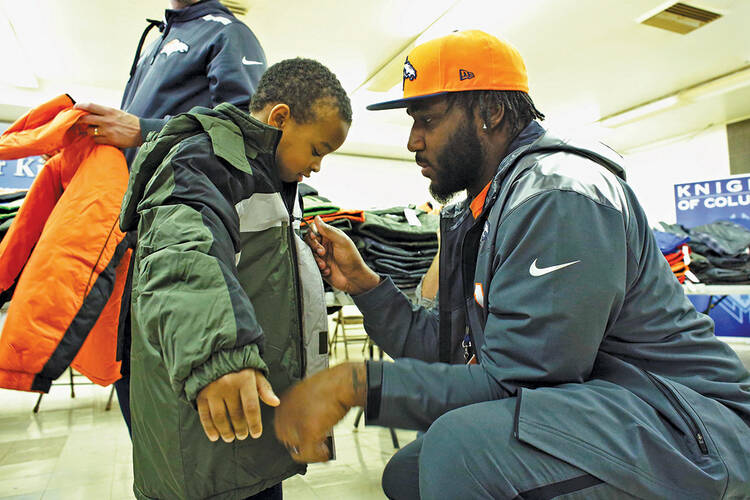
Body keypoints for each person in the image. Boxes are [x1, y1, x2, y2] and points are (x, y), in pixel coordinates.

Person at [273, 30, 750, 499]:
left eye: (428, 120)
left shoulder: (559, 193)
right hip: (610, 409)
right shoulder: (482, 212)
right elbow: (447, 350)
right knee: (408, 472)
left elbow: (517, 382)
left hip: (687, 424)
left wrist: (357, 385)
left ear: (491, 111)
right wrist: (365, 285)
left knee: (458, 450)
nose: (413, 141)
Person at [118, 58, 351, 500]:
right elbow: (183, 252)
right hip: (211, 421)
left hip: (251, 425)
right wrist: (219, 354)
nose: (318, 166)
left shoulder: (266, 173)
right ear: (280, 118)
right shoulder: (206, 160)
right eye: (318, 149)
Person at [72, 0, 267, 437]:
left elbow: (246, 136)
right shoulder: (157, 40)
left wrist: (142, 127)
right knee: (150, 428)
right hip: (138, 254)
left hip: (186, 248)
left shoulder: (226, 33)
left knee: (209, 447)